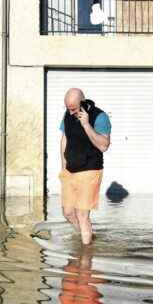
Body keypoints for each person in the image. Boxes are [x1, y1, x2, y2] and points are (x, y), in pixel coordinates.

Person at [59, 88, 111, 245]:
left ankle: (86, 255)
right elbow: (64, 139)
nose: (70, 111)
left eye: (73, 108)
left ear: (82, 102)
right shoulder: (68, 114)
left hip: (90, 169)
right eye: (67, 108)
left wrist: (86, 124)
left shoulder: (100, 117)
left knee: (82, 214)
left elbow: (104, 146)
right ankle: (87, 236)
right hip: (70, 170)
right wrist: (63, 166)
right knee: (68, 213)